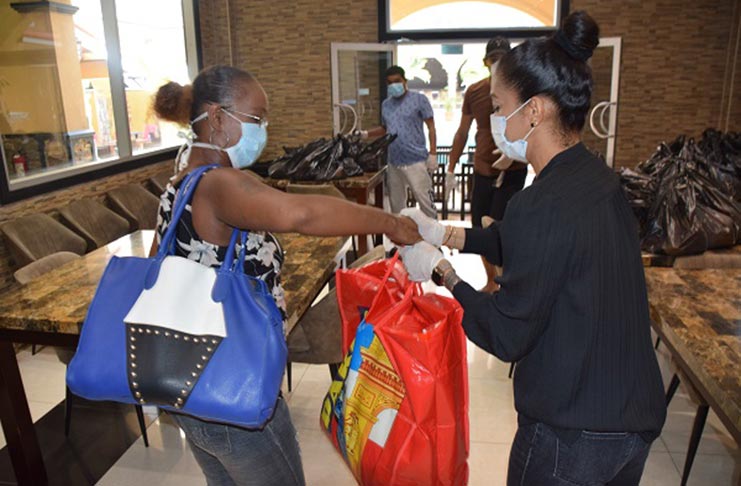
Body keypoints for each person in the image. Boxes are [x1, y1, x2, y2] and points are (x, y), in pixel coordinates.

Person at [399, 11, 666, 486]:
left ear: (535, 111)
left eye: (501, 108)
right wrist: (446, 234)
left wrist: (441, 271)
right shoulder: (600, 181)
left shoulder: (539, 203)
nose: (498, 120)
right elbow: (524, 240)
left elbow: (505, 335)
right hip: (632, 420)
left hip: (572, 437)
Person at [152, 65, 421, 486]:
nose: (264, 129)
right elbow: (302, 212)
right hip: (232, 389)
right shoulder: (218, 184)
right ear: (217, 118)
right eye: (256, 118)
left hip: (189, 382)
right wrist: (387, 222)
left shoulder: (181, 178)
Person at [445, 36, 528, 293]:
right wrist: (450, 167)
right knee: (480, 225)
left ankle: (505, 284)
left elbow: (532, 127)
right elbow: (462, 131)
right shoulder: (476, 91)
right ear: (486, 62)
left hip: (512, 170)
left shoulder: (523, 89)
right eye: (494, 60)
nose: (498, 64)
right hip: (483, 168)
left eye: (503, 59)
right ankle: (491, 280)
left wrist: (515, 155)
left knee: (503, 228)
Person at [361, 65, 438, 219]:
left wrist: (433, 153)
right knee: (397, 206)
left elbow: (431, 127)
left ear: (405, 81)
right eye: (390, 83)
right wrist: (365, 134)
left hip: (415, 160)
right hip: (394, 161)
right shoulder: (386, 105)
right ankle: (401, 241)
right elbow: (386, 129)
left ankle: (434, 240)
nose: (393, 85)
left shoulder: (419, 100)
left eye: (397, 81)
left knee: (425, 202)